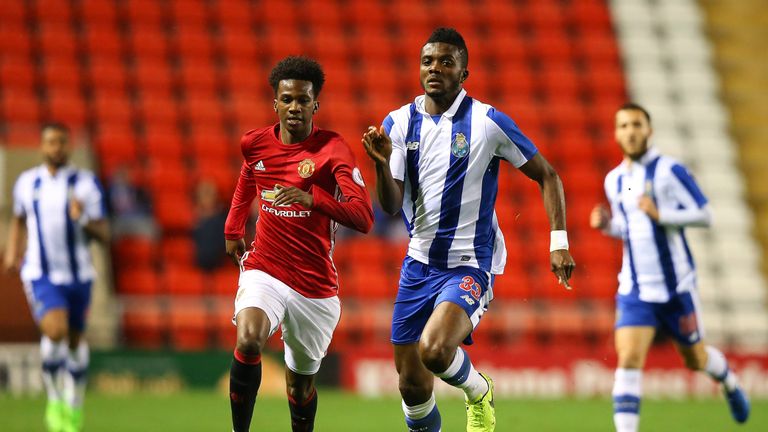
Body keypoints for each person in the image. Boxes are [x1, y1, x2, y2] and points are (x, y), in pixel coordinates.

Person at [362, 28, 575, 432]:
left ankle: (478, 390)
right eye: (428, 61)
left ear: (464, 72)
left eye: (446, 61)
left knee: (436, 351)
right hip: (418, 264)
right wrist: (380, 163)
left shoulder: (487, 122)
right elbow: (390, 208)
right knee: (411, 385)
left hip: (470, 264)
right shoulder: (399, 123)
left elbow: (548, 175)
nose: (435, 69)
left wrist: (558, 242)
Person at [223, 56, 374, 432]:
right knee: (249, 339)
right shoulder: (255, 143)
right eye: (286, 99)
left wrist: (315, 199)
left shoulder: (333, 149)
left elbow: (364, 217)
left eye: (302, 100)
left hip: (314, 285)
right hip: (266, 268)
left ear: (315, 105)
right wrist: (233, 226)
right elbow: (249, 174)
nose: (294, 107)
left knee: (300, 384)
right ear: (275, 102)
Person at [589, 103, 750, 432]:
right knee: (629, 359)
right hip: (635, 290)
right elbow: (632, 223)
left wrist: (664, 215)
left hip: (676, 288)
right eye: (624, 126)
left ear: (649, 130)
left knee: (696, 360)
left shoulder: (669, 171)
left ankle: (728, 380)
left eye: (637, 124)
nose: (631, 131)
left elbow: (705, 214)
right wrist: (608, 225)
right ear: (616, 133)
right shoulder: (618, 180)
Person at [3, 122, 109, 432]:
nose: (56, 148)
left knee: (75, 343)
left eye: (61, 142)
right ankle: (53, 399)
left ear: (69, 146)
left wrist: (83, 220)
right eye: (51, 142)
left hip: (79, 276)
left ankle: (73, 405)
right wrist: (13, 252)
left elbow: (103, 233)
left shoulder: (85, 184)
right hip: (41, 273)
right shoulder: (27, 183)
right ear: (42, 146)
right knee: (55, 330)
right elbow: (19, 219)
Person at [192, 179, 227, 271]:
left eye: (209, 195)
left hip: (218, 264)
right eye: (204, 195)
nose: (206, 199)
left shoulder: (222, 220)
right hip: (196, 264)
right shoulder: (192, 220)